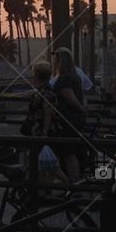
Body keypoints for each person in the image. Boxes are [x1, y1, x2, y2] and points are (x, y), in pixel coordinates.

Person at [50, 47, 88, 181]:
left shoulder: (65, 79)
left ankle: (72, 182)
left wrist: (81, 109)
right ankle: (72, 181)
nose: (54, 62)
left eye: (56, 60)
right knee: (68, 152)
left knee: (68, 153)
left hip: (68, 120)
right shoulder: (74, 76)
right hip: (73, 119)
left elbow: (70, 98)